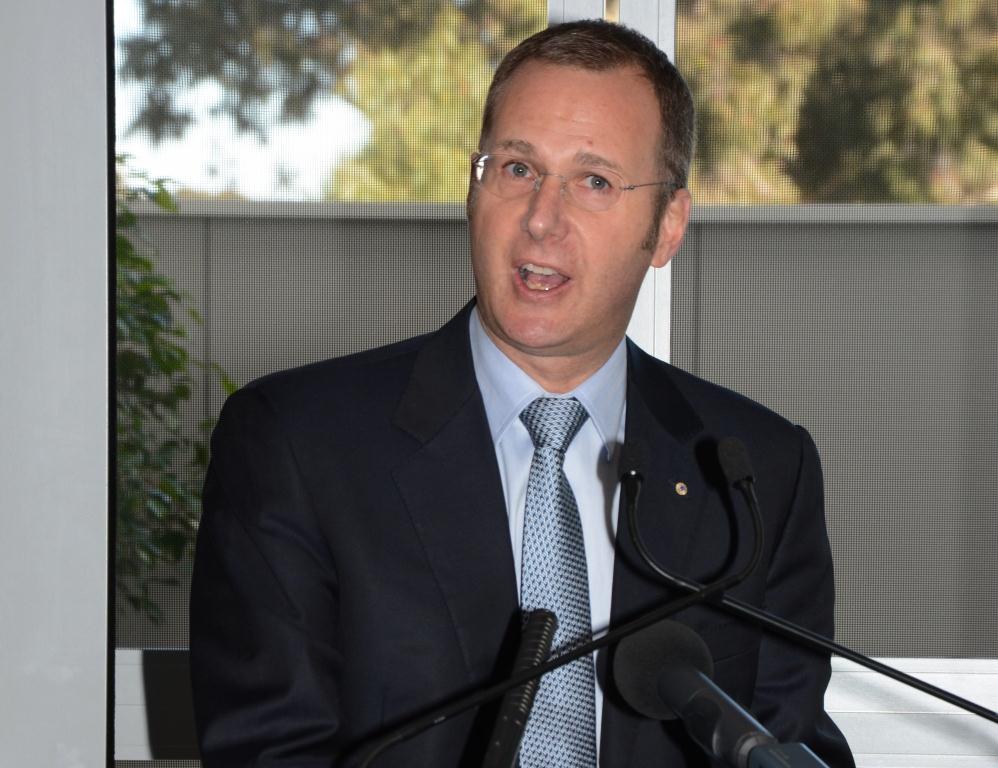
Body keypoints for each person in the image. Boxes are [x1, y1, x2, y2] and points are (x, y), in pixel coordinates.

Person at [190, 19, 854, 768]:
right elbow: (269, 751)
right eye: (515, 168)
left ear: (667, 225)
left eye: (594, 181)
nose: (542, 219)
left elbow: (786, 737)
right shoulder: (296, 444)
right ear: (473, 189)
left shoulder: (753, 471)